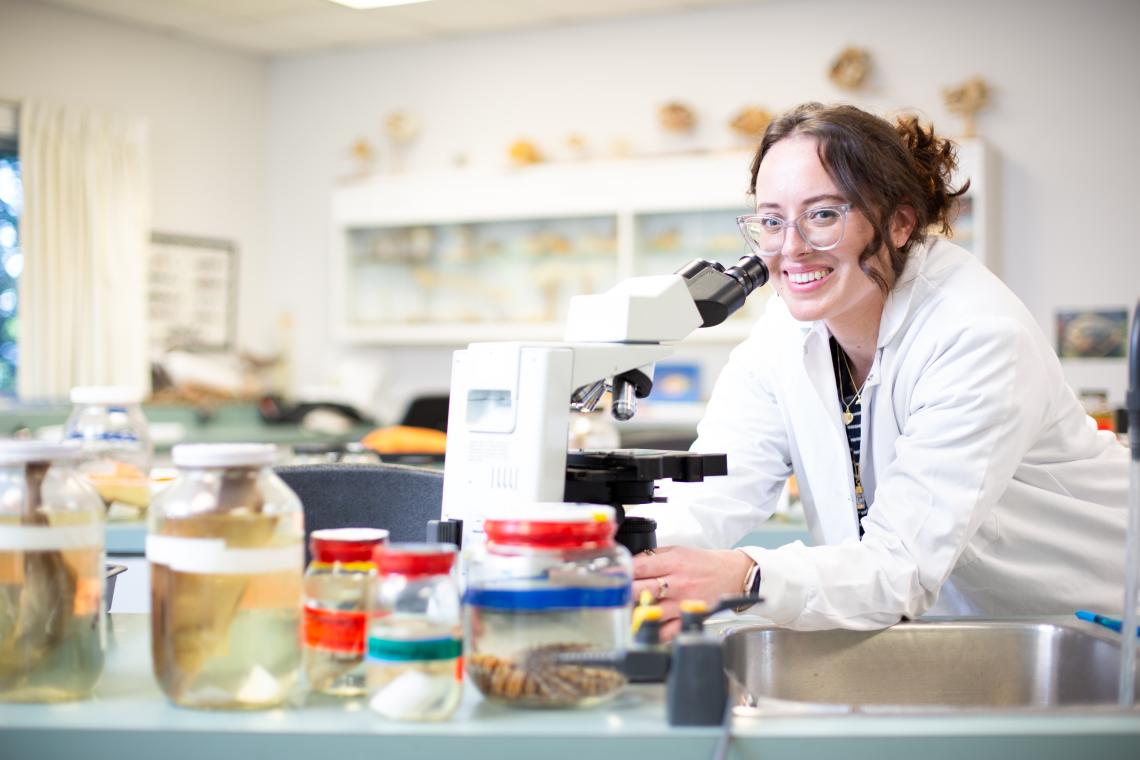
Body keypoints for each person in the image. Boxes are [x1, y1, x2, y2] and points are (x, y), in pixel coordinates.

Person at [632, 102, 1129, 638]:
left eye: (823, 215)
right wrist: (609, 554)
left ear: (898, 222)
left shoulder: (975, 334)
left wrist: (748, 576)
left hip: (1097, 627)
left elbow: (901, 564)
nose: (791, 248)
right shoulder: (786, 332)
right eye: (772, 221)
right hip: (958, 636)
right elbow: (716, 488)